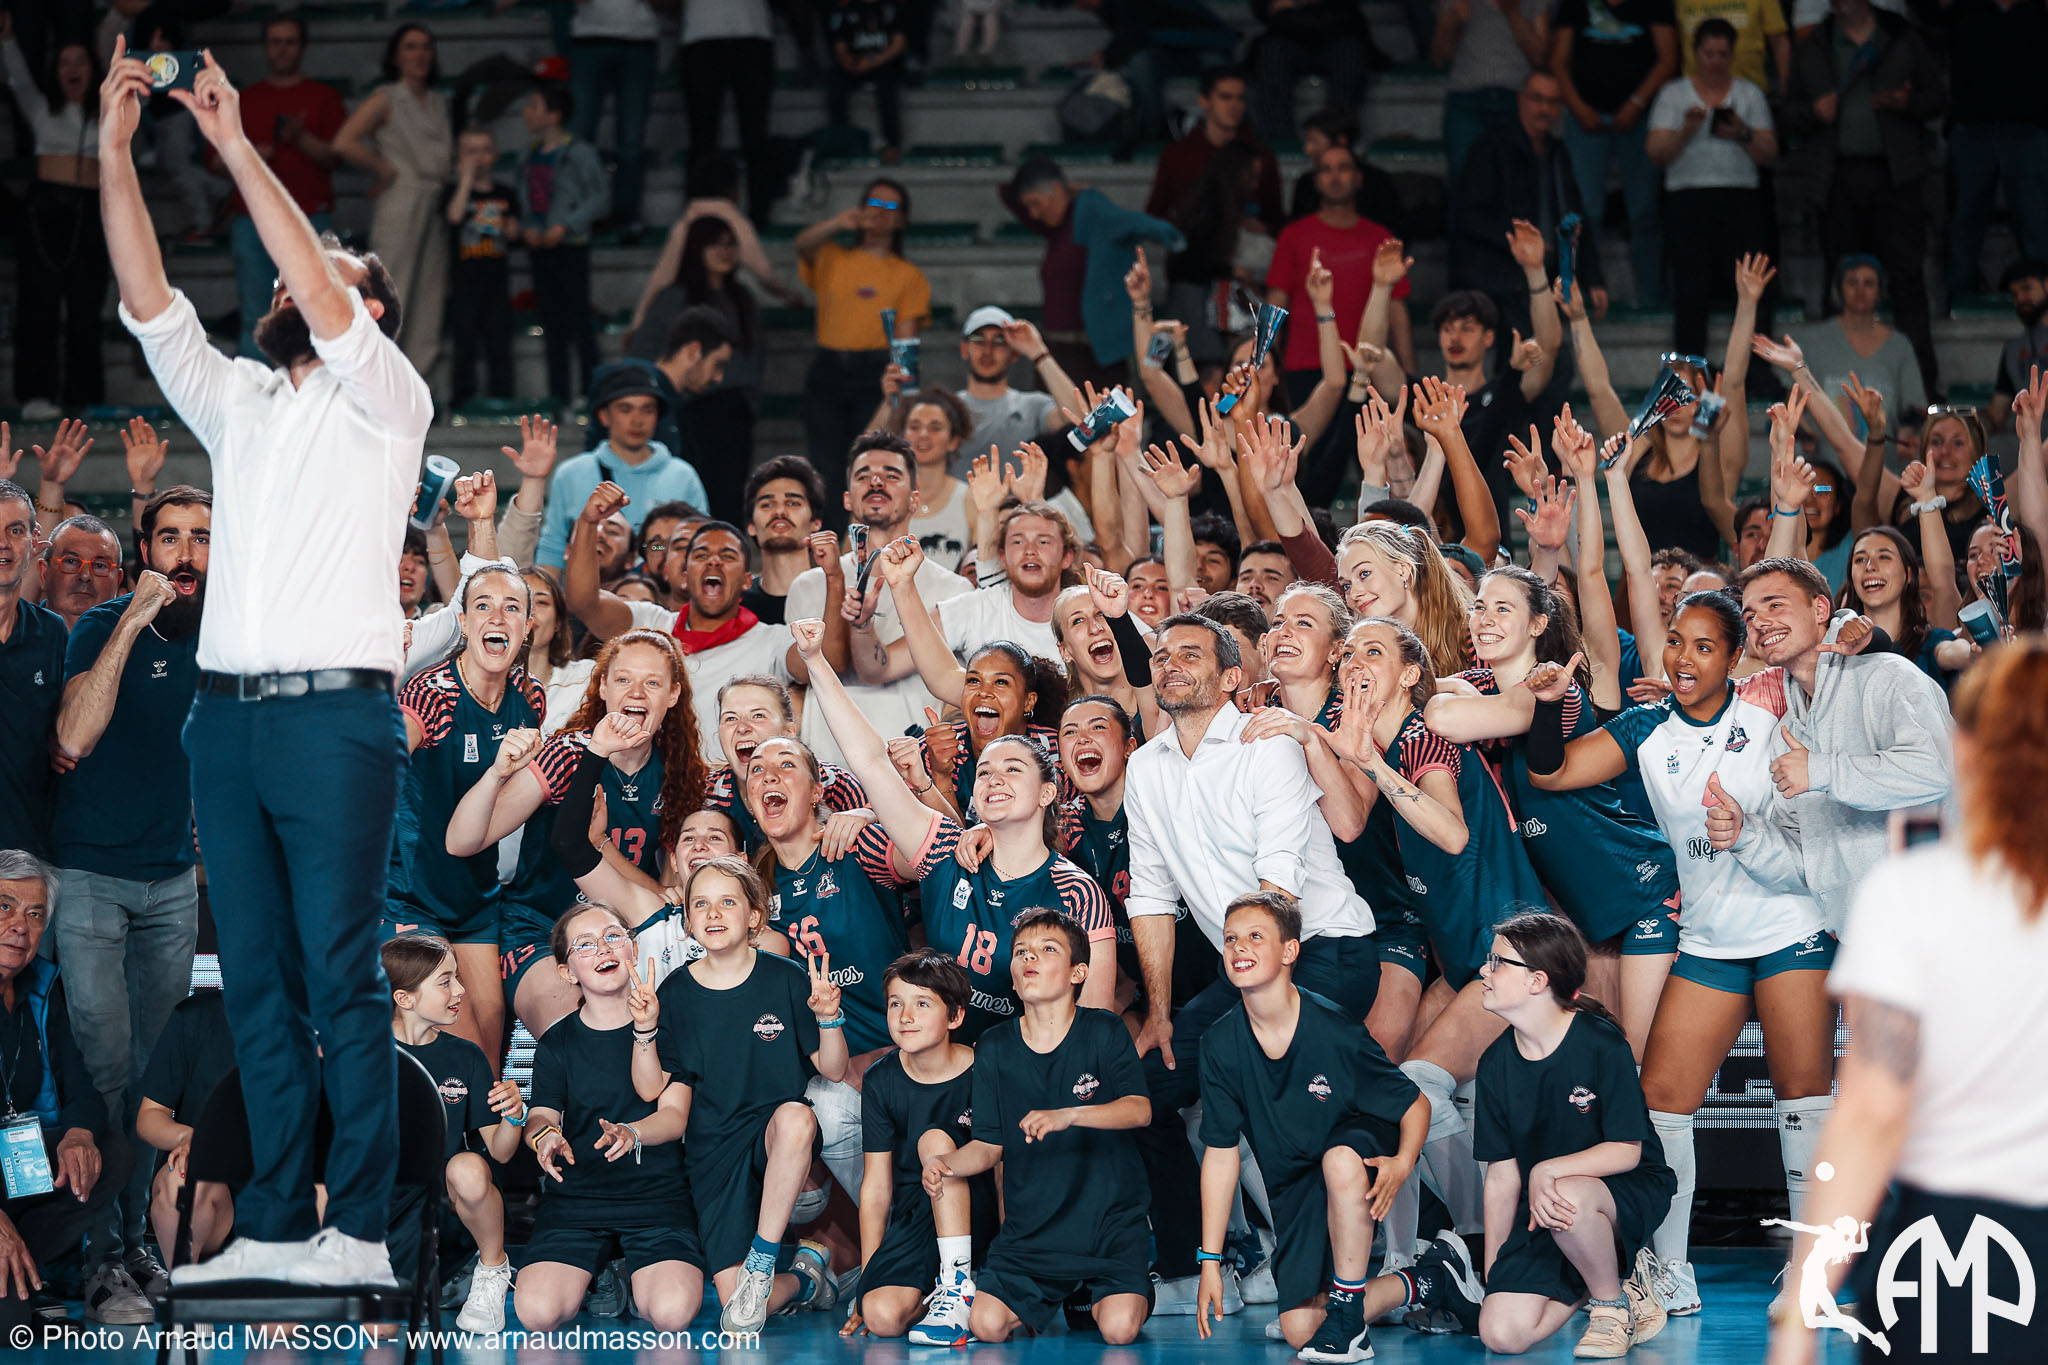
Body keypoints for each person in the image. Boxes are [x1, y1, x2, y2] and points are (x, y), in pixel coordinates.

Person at [102, 39, 431, 1289]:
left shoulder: (386, 400)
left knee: (341, 978)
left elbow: (319, 280)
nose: (299, 282)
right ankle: (286, 1223)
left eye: (331, 273)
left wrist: (235, 141)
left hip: (332, 722)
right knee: (254, 987)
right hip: (225, 724)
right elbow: (148, 300)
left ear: (369, 312)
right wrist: (120, 151)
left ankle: (362, 1229)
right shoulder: (239, 401)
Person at [1528, 589, 1836, 1317]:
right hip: (1709, 935)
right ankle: (1670, 1272)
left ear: (1736, 658)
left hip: (1790, 922)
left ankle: (1810, 1271)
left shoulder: (1770, 715)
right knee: (1662, 1104)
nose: (1684, 657)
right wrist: (1547, 705)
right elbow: (1550, 772)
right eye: (1675, 641)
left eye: (1704, 645)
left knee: (1804, 1104)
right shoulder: (1645, 725)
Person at [1768, 639, 2048, 1365]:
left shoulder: (1913, 892)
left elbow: (1868, 1114)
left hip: (1953, 1240)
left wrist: (1802, 1313)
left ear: (1969, 748)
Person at [1122, 613, 1379, 1297]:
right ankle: (1194, 1265)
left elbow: (1277, 892)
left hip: (1325, 948)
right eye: (1160, 654)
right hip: (1245, 967)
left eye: (1190, 653)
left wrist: (1252, 1010)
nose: (1170, 662)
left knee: (1274, 1089)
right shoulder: (1144, 767)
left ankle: (1341, 1275)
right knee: (1142, 1088)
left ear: (1233, 677)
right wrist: (1157, 1012)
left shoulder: (1266, 744)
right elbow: (1149, 894)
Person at [47, 486, 208, 1299]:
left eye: (200, 538)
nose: (183, 553)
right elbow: (74, 734)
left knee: (150, 1080)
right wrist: (131, 619)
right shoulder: (97, 625)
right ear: (145, 551)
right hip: (89, 876)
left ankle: (138, 1242)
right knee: (104, 1072)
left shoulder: (230, 637)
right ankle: (100, 1253)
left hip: (173, 881)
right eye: (169, 538)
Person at [799, 619, 1116, 1020]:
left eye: (1013, 769)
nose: (994, 778)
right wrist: (815, 660)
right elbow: (871, 761)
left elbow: (1097, 1027)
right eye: (984, 771)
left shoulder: (1078, 892)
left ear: (1047, 793)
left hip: (1028, 1072)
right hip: (945, 1065)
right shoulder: (943, 851)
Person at [1424, 566, 1683, 1056]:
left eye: (1504, 609)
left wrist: (1433, 692)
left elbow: (1442, 714)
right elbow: (1434, 686)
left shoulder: (1555, 694)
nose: (1485, 618)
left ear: (1538, 625)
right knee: (1596, 1062)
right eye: (1479, 606)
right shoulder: (1483, 686)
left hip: (1637, 890)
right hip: (1580, 913)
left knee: (1635, 1065)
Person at [447, 628, 707, 1034]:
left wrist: (601, 845)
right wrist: (498, 774)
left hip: (621, 936)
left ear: (673, 695)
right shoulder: (569, 754)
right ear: (603, 687)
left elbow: (667, 894)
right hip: (540, 925)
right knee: (581, 1027)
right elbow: (464, 841)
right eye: (623, 679)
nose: (636, 692)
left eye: (652, 682)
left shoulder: (681, 773)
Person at [920, 908, 1154, 1345]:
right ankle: (1059, 1294)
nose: (1031, 957)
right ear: (1010, 973)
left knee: (1119, 1331)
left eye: (1048, 950)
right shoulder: (993, 1045)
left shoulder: (1103, 1029)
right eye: (1021, 951)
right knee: (985, 1325)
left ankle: (1114, 1283)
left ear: (1077, 972)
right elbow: (989, 1146)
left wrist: (1071, 1114)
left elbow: (1140, 1110)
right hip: (1033, 1232)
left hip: (1108, 1225)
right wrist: (945, 1164)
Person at [631, 860, 845, 1333]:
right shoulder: (677, 992)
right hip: (713, 1151)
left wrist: (829, 1017)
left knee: (795, 1118)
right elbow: (650, 1088)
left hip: (776, 1138)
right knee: (738, 1315)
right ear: (687, 920)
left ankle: (765, 1260)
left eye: (728, 901)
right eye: (700, 904)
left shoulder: (786, 978)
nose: (713, 913)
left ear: (754, 916)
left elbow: (832, 1068)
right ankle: (808, 1279)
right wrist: (644, 1029)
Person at [1704, 557, 1951, 930]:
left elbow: (1937, 770)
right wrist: (1747, 836)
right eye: (1750, 615)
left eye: (1775, 605)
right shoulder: (1785, 734)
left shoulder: (1890, 678)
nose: (1760, 622)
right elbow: (1811, 862)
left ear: (1820, 609)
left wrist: (1821, 770)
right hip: (1865, 944)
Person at [1471, 911, 1674, 1358]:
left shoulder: (1602, 1043)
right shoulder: (1494, 1065)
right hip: (1549, 1207)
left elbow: (1628, 1150)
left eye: (1498, 962)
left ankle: (1610, 1306)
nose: (1485, 971)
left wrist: (1549, 1170)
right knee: (1502, 1335)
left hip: (1627, 1187)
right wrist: (1495, 1268)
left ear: (1537, 980)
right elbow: (1503, 1177)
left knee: (1566, 1192)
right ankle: (1612, 1275)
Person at [512, 902, 705, 1334]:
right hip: (578, 1200)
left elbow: (674, 1117)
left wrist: (632, 1132)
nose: (603, 948)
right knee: (537, 1313)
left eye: (614, 936)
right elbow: (542, 1113)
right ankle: (602, 1270)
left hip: (656, 1199)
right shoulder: (557, 1042)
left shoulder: (672, 1027)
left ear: (632, 949)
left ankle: (626, 1272)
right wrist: (544, 1136)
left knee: (671, 1315)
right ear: (567, 972)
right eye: (585, 944)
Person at [384, 566, 544, 1070]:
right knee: (461, 1042)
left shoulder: (530, 699)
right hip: (411, 892)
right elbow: (381, 767)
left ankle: (479, 1148)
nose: (497, 616)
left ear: (528, 626)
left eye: (511, 607)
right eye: (483, 606)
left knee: (492, 1042)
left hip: (476, 895)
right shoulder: (433, 692)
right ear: (464, 621)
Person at [1778, 0, 1944, 402]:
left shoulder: (1902, 37)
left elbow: (1937, 99)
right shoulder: (1815, 44)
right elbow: (1789, 114)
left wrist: (1904, 104)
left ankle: (1921, 396)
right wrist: (1814, 112)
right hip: (1837, 178)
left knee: (1906, 281)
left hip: (1895, 175)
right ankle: (1822, 393)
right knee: (1840, 282)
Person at [0, 850, 134, 1328]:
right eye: (5, 907)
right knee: (7, 1329)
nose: (21, 925)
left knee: (110, 1150)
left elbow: (82, 1087)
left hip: (12, 1164)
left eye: (35, 914)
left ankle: (23, 1271)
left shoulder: (41, 986)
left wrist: (79, 1134)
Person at [566, 502, 811, 760]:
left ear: (747, 581)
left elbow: (824, 662)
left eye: (727, 556)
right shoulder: (652, 625)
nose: (714, 561)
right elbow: (584, 602)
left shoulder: (772, 640)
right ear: (685, 575)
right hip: (650, 787)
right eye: (702, 555)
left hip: (733, 790)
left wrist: (833, 578)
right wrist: (587, 522)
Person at [786, 433, 974, 768]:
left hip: (914, 770)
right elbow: (800, 675)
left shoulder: (955, 590)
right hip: (828, 766)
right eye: (863, 475)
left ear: (915, 500)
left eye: (891, 474)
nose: (876, 481)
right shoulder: (809, 584)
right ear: (847, 499)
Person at [382, 935, 527, 1334]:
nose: (461, 991)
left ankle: (492, 1270)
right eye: (445, 982)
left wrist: (515, 1115)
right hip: (384, 1209)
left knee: (467, 1167)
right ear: (405, 998)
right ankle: (430, 1279)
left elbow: (499, 1152)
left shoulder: (466, 1056)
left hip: (444, 1204)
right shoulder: (364, 1055)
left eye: (458, 979)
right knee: (381, 1331)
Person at [850, 950, 992, 1345]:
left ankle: (963, 1281)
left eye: (922, 1003)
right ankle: (946, 1294)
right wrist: (869, 1276)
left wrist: (1006, 1254)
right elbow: (877, 1187)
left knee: (935, 1140)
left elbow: (1002, 1169)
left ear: (955, 1016)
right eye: (896, 1003)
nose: (905, 1016)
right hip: (917, 1212)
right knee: (881, 1317)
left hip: (976, 1208)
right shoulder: (881, 1080)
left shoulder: (986, 1069)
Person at [213, 15, 346, 360]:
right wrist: (248, 155)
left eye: (289, 41)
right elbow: (214, 163)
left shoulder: (324, 98)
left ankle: (311, 403)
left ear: (302, 47)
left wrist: (301, 139)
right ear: (265, 47)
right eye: (275, 41)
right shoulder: (242, 99)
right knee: (256, 317)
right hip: (251, 221)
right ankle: (257, 402)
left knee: (317, 315)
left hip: (310, 219)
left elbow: (334, 160)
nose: (282, 49)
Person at [796, 182, 930, 515]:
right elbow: (802, 244)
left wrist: (903, 392)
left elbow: (905, 339)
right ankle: (829, 544)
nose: (880, 211)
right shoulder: (832, 257)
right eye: (873, 202)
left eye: (891, 207)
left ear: (903, 220)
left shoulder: (908, 275)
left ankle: (864, 542)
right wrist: (838, 223)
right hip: (828, 369)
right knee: (824, 467)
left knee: (870, 461)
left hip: (875, 372)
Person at [1645, 20, 1777, 357]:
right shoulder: (1673, 94)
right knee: (1690, 289)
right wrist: (1686, 130)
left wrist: (1743, 133)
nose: (1715, 60)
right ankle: (1691, 374)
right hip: (1687, 197)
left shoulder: (1749, 94)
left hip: (1741, 196)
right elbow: (1655, 153)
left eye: (1722, 54)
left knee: (1749, 288)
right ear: (1695, 52)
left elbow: (1770, 153)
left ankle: (1755, 368)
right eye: (1709, 53)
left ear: (1732, 55)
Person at [0, 15, 105, 414]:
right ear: (56, 73)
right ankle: (37, 394)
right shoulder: (42, 109)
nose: (73, 69)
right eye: (65, 63)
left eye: (80, 62)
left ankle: (85, 397)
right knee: (38, 303)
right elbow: (18, 79)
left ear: (92, 69)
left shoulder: (107, 112)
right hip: (45, 210)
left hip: (92, 210)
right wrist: (9, 38)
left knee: (85, 307)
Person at [333, 23, 452, 374]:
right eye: (411, 47)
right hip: (402, 196)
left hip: (436, 199)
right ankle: (376, 377)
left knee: (428, 296)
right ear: (396, 56)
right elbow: (344, 141)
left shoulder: (437, 100)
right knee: (391, 292)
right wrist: (382, 168)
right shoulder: (387, 97)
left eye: (426, 47)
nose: (420, 54)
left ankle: (417, 379)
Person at [1004, 157, 1187, 384]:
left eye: (1036, 203)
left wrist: (1181, 242)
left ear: (1057, 190)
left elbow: (1142, 224)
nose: (1033, 213)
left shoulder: (1092, 212)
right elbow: (1006, 195)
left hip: (1091, 354)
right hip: (1057, 348)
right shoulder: (1056, 226)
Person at [1453, 72, 1609, 327]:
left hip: (1545, 277)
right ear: (1520, 100)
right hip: (1499, 278)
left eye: (1553, 101)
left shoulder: (1558, 153)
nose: (1545, 109)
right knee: (1529, 358)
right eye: (1537, 99)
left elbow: (1575, 217)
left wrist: (1593, 278)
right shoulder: (1490, 148)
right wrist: (1523, 244)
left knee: (1552, 357)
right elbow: (1470, 216)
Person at [1547, 0, 1674, 306]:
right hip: (1585, 117)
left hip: (1640, 117)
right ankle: (1583, 294)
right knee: (1584, 209)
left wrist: (1636, 103)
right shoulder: (1575, 5)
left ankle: (1649, 298)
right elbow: (1557, 61)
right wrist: (1577, 108)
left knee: (1643, 211)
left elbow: (1668, 59)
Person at [627, 217, 762, 506]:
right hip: (687, 408)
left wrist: (747, 402)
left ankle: (726, 550)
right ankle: (668, 550)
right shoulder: (673, 299)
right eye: (714, 243)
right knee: (677, 503)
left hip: (734, 412)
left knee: (727, 498)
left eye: (730, 244)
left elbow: (756, 356)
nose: (723, 251)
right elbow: (641, 352)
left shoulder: (743, 298)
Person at [1267, 144, 1414, 400]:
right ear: (1316, 181)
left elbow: (1397, 312)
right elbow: (1275, 306)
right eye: (1326, 170)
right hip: (1304, 367)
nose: (1335, 177)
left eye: (1343, 168)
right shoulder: (1293, 235)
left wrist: (1410, 374)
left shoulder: (1380, 238)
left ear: (1358, 178)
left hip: (1364, 366)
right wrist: (1262, 365)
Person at [537, 363, 718, 570]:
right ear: (604, 416)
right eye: (626, 409)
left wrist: (656, 548)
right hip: (587, 596)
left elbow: (699, 545)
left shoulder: (683, 475)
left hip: (664, 595)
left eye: (647, 410)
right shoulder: (571, 474)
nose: (637, 420)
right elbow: (554, 547)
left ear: (657, 416)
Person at [875, 305, 1083, 467]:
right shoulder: (943, 409)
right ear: (964, 349)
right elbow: (871, 450)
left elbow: (1082, 421)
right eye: (978, 340)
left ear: (1015, 353)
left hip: (1018, 517)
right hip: (956, 518)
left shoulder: (1033, 405)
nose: (988, 350)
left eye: (999, 342)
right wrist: (889, 401)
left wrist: (1039, 353)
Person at [1943, 0, 2048, 299]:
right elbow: (1927, 15)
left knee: (2036, 222)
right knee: (1965, 221)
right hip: (1972, 126)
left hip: (2030, 127)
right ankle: (1959, 300)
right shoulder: (1967, 8)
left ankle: (2044, 304)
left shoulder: (2037, 9)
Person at [135, 989, 237, 1271]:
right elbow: (150, 1116)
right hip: (219, 1203)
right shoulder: (197, 1015)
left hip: (286, 1199)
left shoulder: (315, 1021)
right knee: (181, 1177)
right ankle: (187, 1291)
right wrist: (188, 1136)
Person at [518, 83, 607, 403]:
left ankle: (591, 389)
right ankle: (559, 394)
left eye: (533, 106)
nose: (526, 113)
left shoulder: (580, 153)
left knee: (579, 320)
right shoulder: (529, 156)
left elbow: (599, 197)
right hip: (540, 248)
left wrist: (566, 225)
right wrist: (529, 226)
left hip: (570, 246)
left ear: (554, 115)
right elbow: (526, 199)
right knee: (551, 323)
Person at [0, 479, 67, 859]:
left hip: (34, 861)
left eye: (15, 530)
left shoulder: (51, 632)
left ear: (34, 539)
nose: (4, 544)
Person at [1144, 66, 1284, 237]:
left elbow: (1276, 218)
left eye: (1241, 98)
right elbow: (1156, 213)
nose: (1235, 105)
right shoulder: (1177, 154)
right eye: (1225, 97)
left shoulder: (1261, 156)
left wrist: (1261, 227)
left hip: (1246, 251)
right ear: (1204, 101)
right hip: (1193, 250)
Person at [1790, 257, 1927, 427]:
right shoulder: (1811, 341)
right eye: (1852, 283)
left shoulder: (1900, 346)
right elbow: (1791, 398)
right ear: (1839, 289)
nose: (1860, 290)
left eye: (1869, 283)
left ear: (1880, 291)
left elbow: (1915, 409)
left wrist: (1910, 433)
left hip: (1886, 452)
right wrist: (1802, 430)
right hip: (1825, 453)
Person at [677, 0, 779, 228]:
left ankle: (760, 211)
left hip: (752, 33)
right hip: (700, 35)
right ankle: (700, 210)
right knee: (702, 135)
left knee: (755, 134)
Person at [1433, 0, 1555, 187]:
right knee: (1465, 180)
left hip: (1516, 99)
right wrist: (1451, 22)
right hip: (1467, 97)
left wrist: (1512, 12)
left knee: (1518, 183)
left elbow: (1541, 58)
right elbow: (1440, 56)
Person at [1835, 523, 1966, 688]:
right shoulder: (1839, 651)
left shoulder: (1931, 643)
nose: (1870, 567)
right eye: (1860, 559)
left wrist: (1972, 654)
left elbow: (1955, 652)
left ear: (1909, 574)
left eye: (1884, 557)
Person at [442, 126, 518, 410]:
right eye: (470, 152)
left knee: (499, 342)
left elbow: (514, 231)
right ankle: (463, 399)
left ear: (496, 155)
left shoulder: (505, 193)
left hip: (496, 281)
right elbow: (453, 216)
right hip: (464, 282)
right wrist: (466, 180)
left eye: (485, 150)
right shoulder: (454, 191)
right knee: (465, 342)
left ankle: (503, 397)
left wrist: (507, 225)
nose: (478, 158)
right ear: (459, 156)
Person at [566, 0, 657, 238]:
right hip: (588, 37)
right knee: (580, 132)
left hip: (639, 38)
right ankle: (580, 210)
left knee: (631, 136)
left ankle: (627, 213)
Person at [1247, 0, 1371, 145]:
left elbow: (1348, 14)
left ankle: (1337, 135)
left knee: (1350, 53)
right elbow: (1266, 9)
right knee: (1271, 54)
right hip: (1287, 37)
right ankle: (1281, 141)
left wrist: (1293, 6)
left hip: (1336, 35)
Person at [740, 457, 827, 624]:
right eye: (767, 505)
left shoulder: (838, 596)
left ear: (816, 522)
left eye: (793, 503)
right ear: (751, 526)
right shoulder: (736, 605)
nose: (779, 511)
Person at [825, 0, 909, 161]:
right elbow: (840, 47)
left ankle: (892, 144)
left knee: (888, 86)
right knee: (835, 83)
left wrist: (871, 62)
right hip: (854, 65)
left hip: (883, 64)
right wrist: (851, 63)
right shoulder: (845, 9)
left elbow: (899, 44)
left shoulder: (892, 8)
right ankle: (840, 141)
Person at [39, 515, 125, 635]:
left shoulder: (135, 643)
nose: (85, 576)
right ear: (44, 574)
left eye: (99, 565)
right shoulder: (11, 635)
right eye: (71, 561)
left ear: (118, 580)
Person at [1989, 258, 2048, 433]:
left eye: (2026, 288)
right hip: (2027, 446)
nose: (2020, 299)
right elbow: (1997, 412)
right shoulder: (2014, 348)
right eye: (2014, 294)